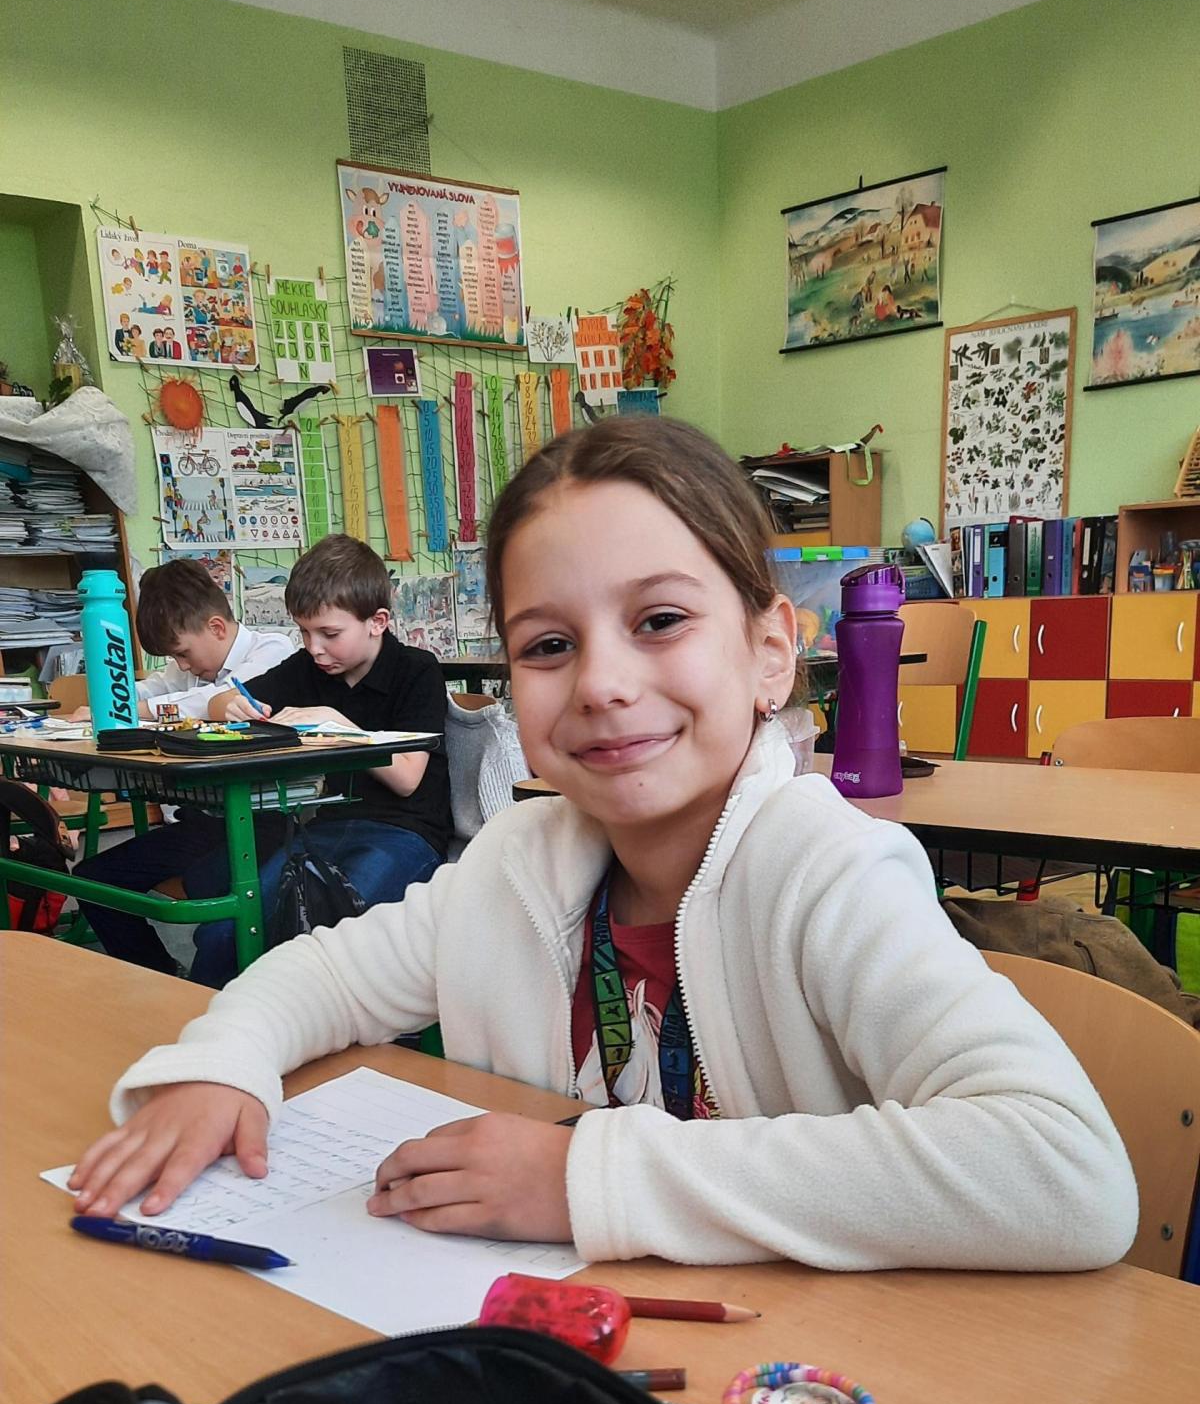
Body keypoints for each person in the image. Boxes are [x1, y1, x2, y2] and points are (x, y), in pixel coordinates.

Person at [70, 418, 1137, 1276]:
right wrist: (226, 1067)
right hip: (558, 1340)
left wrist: (586, 1179)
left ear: (771, 653)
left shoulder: (825, 870)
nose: (603, 683)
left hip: (801, 1382)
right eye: (548, 644)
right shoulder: (515, 864)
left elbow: (1064, 1170)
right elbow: (324, 975)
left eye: (660, 620)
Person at [191, 531, 450, 987]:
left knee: (327, 931)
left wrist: (339, 727)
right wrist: (230, 706)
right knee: (222, 935)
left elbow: (408, 777)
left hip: (405, 834)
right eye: (304, 632)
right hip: (325, 829)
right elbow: (220, 701)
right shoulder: (308, 667)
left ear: (377, 621)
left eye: (329, 634)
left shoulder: (417, 670)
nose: (314, 648)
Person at [74, 560, 296, 973]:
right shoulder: (189, 668)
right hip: (205, 821)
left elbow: (211, 702)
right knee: (93, 879)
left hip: (265, 822)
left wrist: (129, 709)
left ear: (216, 627)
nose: (182, 666)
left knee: (210, 896)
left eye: (182, 653)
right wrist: (102, 704)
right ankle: (162, 977)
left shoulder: (274, 651)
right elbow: (152, 689)